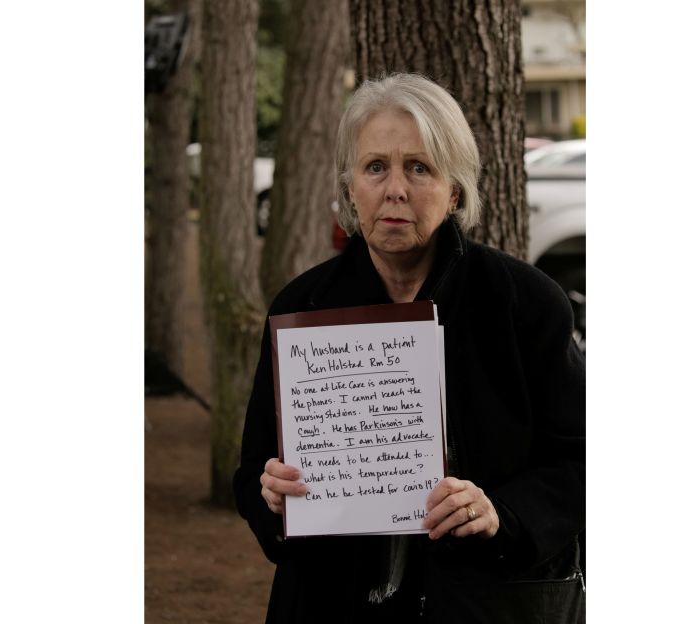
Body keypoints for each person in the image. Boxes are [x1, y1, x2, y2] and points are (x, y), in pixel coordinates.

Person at [233, 73, 585, 623]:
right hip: (332, 603)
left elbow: (579, 459)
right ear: (350, 186)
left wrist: (502, 514)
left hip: (486, 604)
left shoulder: (525, 303)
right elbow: (255, 465)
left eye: (419, 168)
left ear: (455, 188)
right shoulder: (302, 308)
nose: (395, 188)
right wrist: (271, 497)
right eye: (376, 167)